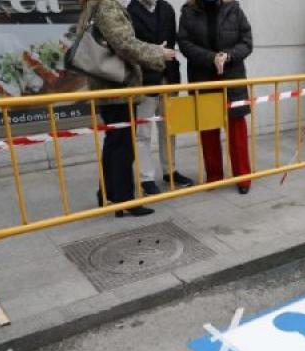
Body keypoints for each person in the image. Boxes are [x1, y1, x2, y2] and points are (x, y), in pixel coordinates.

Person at [78, 0, 176, 217]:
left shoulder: (92, 6)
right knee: (123, 146)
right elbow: (125, 44)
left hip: (107, 87)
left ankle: (108, 194)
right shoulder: (107, 6)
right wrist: (157, 52)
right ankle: (123, 199)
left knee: (114, 143)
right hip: (117, 87)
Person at [178, 0, 253, 194]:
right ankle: (214, 177)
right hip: (203, 78)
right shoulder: (189, 12)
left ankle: (243, 177)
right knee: (208, 130)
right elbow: (184, 44)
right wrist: (211, 58)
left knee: (237, 129)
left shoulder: (234, 9)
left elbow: (246, 42)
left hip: (232, 77)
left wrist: (227, 56)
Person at [127, 0, 194, 195]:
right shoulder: (130, 12)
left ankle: (170, 170)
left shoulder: (167, 9)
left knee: (169, 129)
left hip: (169, 77)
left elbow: (172, 43)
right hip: (144, 81)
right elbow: (131, 49)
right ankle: (146, 178)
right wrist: (157, 52)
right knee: (143, 133)